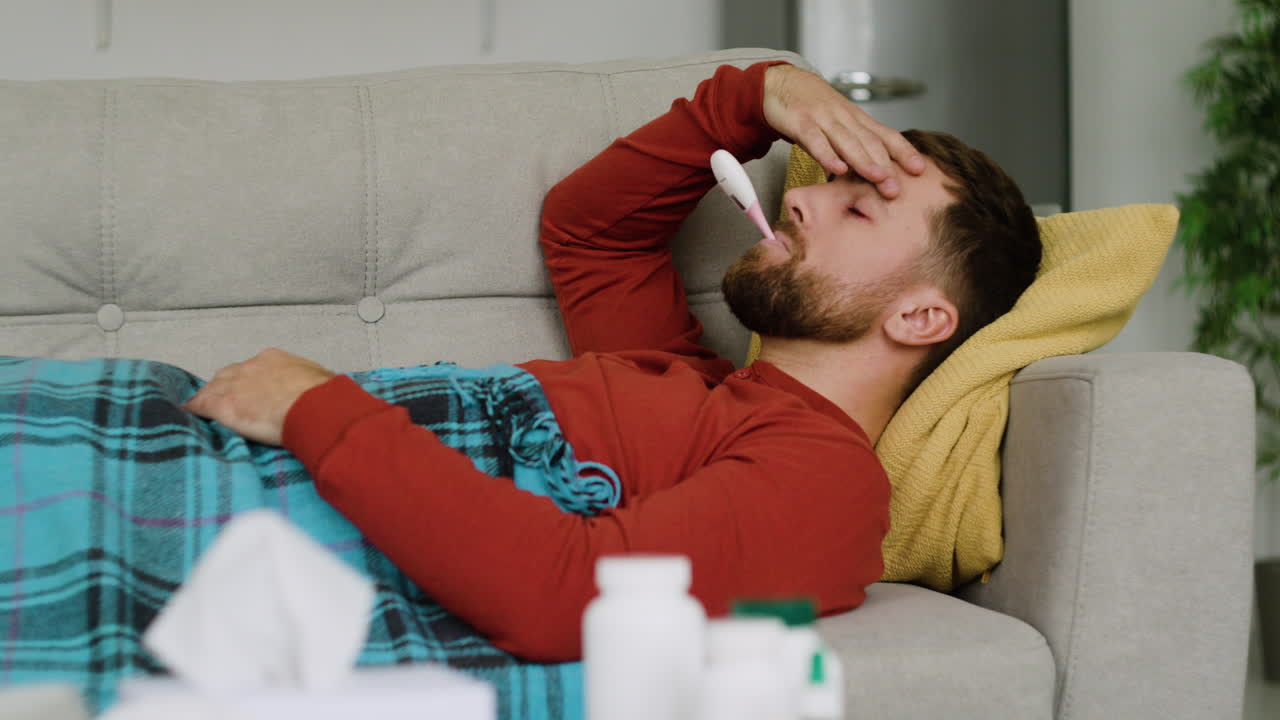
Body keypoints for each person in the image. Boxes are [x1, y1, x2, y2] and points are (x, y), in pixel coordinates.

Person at [180, 60, 1042, 661]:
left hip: (241, 498)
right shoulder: (687, 380)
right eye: (822, 181)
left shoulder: (824, 480)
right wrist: (755, 97)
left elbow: (562, 599)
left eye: (856, 212)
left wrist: (315, 408)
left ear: (923, 316)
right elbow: (591, 230)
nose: (804, 196)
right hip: (208, 429)